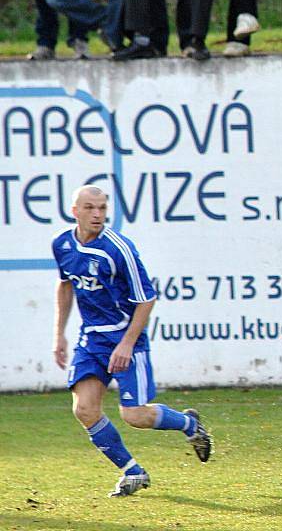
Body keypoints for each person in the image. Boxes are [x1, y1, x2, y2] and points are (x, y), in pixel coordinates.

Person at [52, 185, 213, 497]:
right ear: (75, 211)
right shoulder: (62, 244)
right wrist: (59, 333)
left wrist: (126, 343)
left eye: (101, 208)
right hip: (92, 339)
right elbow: (65, 285)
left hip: (127, 337)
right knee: (84, 409)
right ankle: (132, 472)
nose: (97, 214)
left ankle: (189, 425)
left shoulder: (119, 249)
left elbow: (147, 299)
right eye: (89, 208)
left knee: (134, 416)